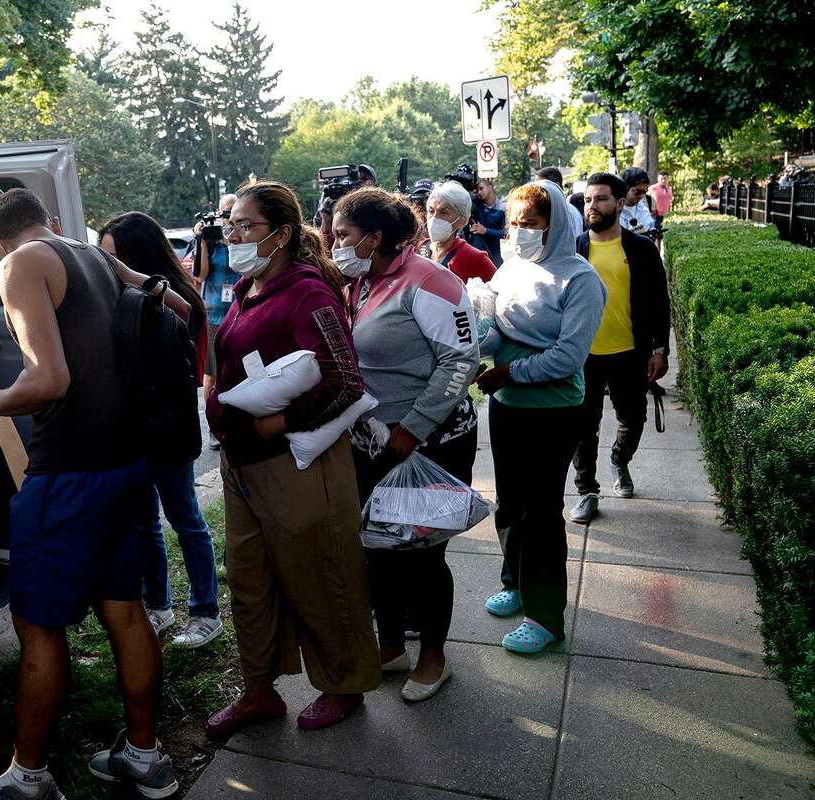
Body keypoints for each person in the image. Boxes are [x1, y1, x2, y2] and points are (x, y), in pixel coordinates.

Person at [0, 189, 188, 799]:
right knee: (126, 610)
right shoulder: (90, 253)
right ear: (49, 222)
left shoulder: (19, 264)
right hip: (125, 466)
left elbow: (49, 379)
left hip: (66, 474)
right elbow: (168, 301)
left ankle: (28, 777)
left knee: (38, 626)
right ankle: (145, 756)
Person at [203, 180, 380, 737]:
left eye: (245, 227)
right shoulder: (246, 288)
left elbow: (345, 381)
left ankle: (344, 684)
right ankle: (259, 690)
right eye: (230, 226)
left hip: (296, 468)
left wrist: (276, 422)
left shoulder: (308, 292)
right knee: (250, 581)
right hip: (243, 467)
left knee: (321, 574)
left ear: (281, 234)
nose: (233, 236)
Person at [332, 187, 480, 702]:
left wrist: (412, 427)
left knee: (422, 552)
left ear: (374, 238)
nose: (336, 243)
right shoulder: (361, 283)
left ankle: (434, 657)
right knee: (377, 547)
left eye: (344, 234)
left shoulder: (431, 282)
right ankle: (391, 645)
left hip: (430, 442)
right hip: (373, 441)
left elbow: (460, 362)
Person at [474, 180, 605, 655]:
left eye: (530, 224)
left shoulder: (580, 279)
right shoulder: (510, 269)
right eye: (514, 223)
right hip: (507, 407)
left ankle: (545, 615)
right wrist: (478, 347)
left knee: (542, 511)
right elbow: (495, 330)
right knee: (509, 505)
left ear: (556, 226)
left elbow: (568, 357)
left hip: (553, 411)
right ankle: (515, 580)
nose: (519, 232)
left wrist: (510, 371)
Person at [98, 212, 223, 650]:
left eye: (115, 258)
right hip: (133, 427)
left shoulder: (173, 293)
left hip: (169, 425)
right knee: (145, 522)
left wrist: (132, 278)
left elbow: (186, 317)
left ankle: (206, 611)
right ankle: (159, 606)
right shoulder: (118, 297)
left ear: (138, 255)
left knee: (185, 518)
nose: (109, 268)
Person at [568, 173, 670, 523]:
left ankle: (618, 459)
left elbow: (659, 302)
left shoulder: (641, 249)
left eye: (601, 199)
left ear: (620, 202)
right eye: (588, 200)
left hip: (630, 353)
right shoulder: (575, 249)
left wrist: (660, 349)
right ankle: (586, 490)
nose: (592, 206)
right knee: (583, 426)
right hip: (584, 356)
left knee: (633, 419)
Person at [196, 193, 239, 448]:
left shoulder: (237, 240)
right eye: (224, 212)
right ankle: (213, 426)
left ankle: (233, 420)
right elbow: (200, 275)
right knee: (211, 371)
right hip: (213, 312)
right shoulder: (210, 241)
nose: (226, 217)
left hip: (239, 308)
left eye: (231, 213)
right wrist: (202, 239)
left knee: (235, 368)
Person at [424, 181, 496, 284]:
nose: (434, 218)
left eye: (443, 213)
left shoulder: (475, 259)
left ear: (461, 220)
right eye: (431, 211)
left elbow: (497, 295)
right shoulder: (417, 249)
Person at [536, 167, 584, 236]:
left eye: (541, 187)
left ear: (556, 186)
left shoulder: (564, 211)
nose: (536, 192)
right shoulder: (565, 208)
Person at [470, 178, 506, 267]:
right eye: (477, 190)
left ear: (490, 187)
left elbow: (506, 233)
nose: (479, 192)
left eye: (481, 188)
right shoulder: (476, 204)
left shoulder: (503, 208)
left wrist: (486, 231)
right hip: (477, 253)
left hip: (494, 254)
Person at [619, 168, 657, 236]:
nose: (641, 196)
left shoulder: (643, 209)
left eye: (644, 191)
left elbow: (651, 227)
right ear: (624, 188)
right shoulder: (613, 211)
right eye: (638, 192)